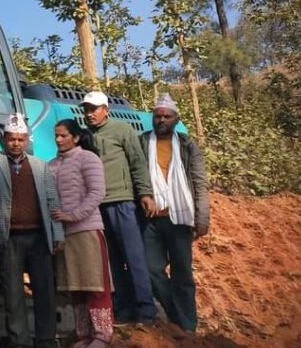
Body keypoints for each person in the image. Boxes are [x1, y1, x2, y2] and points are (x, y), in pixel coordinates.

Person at [0, 114, 64, 348]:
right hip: (8, 237)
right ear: (4, 140)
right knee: (13, 293)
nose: (16, 143)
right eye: (12, 139)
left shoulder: (40, 166)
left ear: (27, 140)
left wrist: (57, 233)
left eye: (21, 139)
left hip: (38, 236)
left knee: (44, 290)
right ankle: (19, 347)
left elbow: (52, 201)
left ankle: (47, 343)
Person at [81, 91, 158, 326]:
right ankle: (123, 310)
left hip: (122, 201)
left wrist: (145, 194)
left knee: (133, 257)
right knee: (111, 261)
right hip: (97, 206)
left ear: (106, 110)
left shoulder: (122, 130)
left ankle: (146, 311)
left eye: (94, 109)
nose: (89, 114)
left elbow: (137, 162)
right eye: (86, 109)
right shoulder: (84, 136)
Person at [139, 93, 210, 332]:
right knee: (150, 269)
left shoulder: (188, 146)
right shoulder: (142, 142)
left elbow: (199, 182)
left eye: (166, 117)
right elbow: (137, 175)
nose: (161, 120)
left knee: (182, 274)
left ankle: (187, 325)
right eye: (157, 116)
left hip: (180, 218)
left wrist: (202, 218)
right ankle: (176, 314)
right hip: (151, 219)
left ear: (176, 120)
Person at [49, 119, 113, 348]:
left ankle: (103, 334)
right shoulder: (52, 165)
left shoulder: (88, 158)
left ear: (76, 137)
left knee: (95, 283)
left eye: (63, 135)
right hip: (65, 235)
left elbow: (97, 192)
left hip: (87, 230)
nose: (58, 140)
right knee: (76, 285)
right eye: (56, 136)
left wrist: (73, 215)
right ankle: (83, 333)